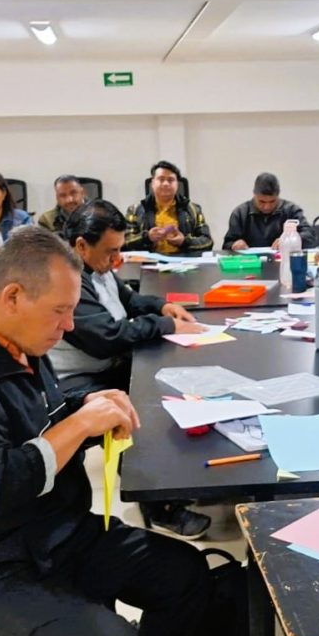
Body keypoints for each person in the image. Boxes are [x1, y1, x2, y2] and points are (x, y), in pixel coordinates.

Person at [0, 227, 212, 636]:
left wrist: (86, 406)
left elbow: (41, 418)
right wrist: (78, 425)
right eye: (59, 311)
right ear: (12, 296)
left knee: (184, 575)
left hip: (52, 530)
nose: (68, 325)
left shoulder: (18, 342)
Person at [50, 200, 212, 541]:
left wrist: (162, 306)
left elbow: (128, 301)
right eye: (111, 251)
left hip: (106, 365)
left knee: (173, 379)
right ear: (81, 245)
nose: (116, 259)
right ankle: (157, 504)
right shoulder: (68, 280)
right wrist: (165, 325)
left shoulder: (98, 268)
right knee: (142, 403)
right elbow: (107, 338)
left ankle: (179, 479)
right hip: (77, 380)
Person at [124, 161, 212, 255]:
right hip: (149, 262)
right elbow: (125, 241)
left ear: (177, 184)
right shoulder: (135, 210)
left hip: (184, 261)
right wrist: (147, 237)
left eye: (170, 180)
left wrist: (184, 241)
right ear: (152, 183)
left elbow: (207, 242)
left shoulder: (193, 209)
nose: (166, 184)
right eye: (161, 179)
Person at [222, 172, 314, 251]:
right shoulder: (240, 213)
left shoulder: (291, 210)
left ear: (278, 195)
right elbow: (227, 245)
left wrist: (290, 240)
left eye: (272, 201)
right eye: (262, 202)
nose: (267, 207)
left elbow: (310, 236)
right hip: (249, 263)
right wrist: (234, 245)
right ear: (254, 195)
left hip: (283, 261)